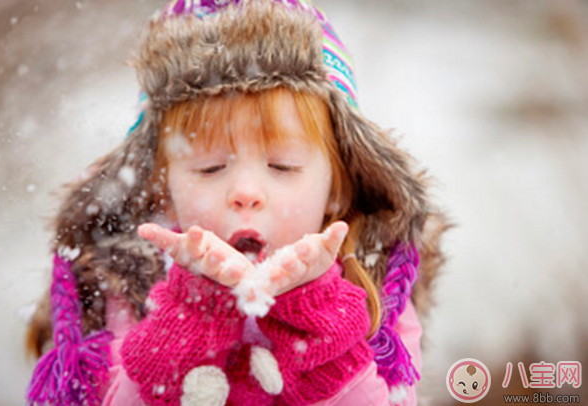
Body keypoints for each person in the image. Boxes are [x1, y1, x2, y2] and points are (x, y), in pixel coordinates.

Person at [25, 1, 448, 405]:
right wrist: (188, 316)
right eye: (210, 168)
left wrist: (317, 313)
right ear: (163, 190)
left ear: (338, 186)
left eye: (281, 166)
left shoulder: (371, 286)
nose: (245, 193)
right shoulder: (132, 284)